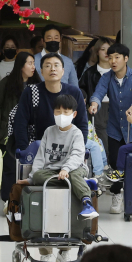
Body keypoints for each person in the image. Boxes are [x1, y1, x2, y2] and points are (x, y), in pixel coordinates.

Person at [89, 44, 132, 215]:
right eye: (110, 57)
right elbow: (98, 94)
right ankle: (116, 194)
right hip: (115, 127)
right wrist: (94, 104)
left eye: (117, 57)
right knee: (116, 164)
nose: (113, 61)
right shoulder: (107, 77)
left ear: (125, 58)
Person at [25, 93, 98, 227]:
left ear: (74, 114)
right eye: (58, 112)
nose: (61, 115)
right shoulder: (49, 131)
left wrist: (66, 169)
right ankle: (80, 184)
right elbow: (40, 157)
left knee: (74, 175)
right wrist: (31, 179)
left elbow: (77, 155)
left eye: (65, 112)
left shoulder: (76, 133)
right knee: (38, 176)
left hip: (74, 168)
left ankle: (87, 203)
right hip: (53, 172)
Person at [11, 53, 89, 165]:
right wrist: (25, 152)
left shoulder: (74, 92)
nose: (52, 69)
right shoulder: (31, 92)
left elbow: (82, 124)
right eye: (47, 66)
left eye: (56, 65)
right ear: (41, 71)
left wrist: (79, 149)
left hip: (68, 151)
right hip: (38, 151)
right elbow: (20, 123)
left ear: (63, 71)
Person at [0, 53, 36, 195]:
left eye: (34, 63)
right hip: (8, 131)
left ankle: (25, 197)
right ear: (21, 66)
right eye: (30, 63)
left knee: (29, 166)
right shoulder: (7, 82)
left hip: (30, 132)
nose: (33, 67)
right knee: (10, 166)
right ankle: (8, 199)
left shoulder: (37, 84)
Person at [78, 37, 113, 141]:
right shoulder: (89, 73)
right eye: (103, 49)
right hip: (97, 108)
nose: (106, 52)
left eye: (109, 49)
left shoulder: (119, 72)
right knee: (102, 140)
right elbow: (82, 89)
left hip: (116, 107)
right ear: (97, 51)